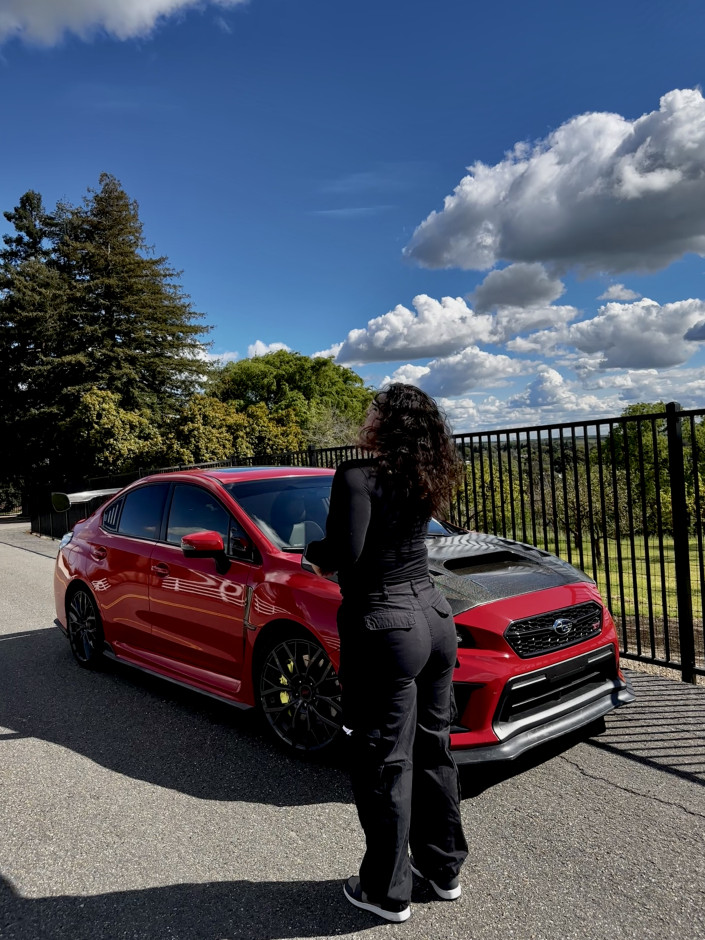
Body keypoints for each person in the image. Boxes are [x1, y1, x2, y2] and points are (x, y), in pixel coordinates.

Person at [305, 383, 468, 924]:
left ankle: (385, 890)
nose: (366, 416)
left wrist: (313, 552)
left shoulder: (357, 474)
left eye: (372, 410)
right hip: (436, 620)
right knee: (434, 749)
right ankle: (443, 870)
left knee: (385, 761)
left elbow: (345, 554)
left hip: (386, 629)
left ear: (384, 422)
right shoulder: (426, 474)